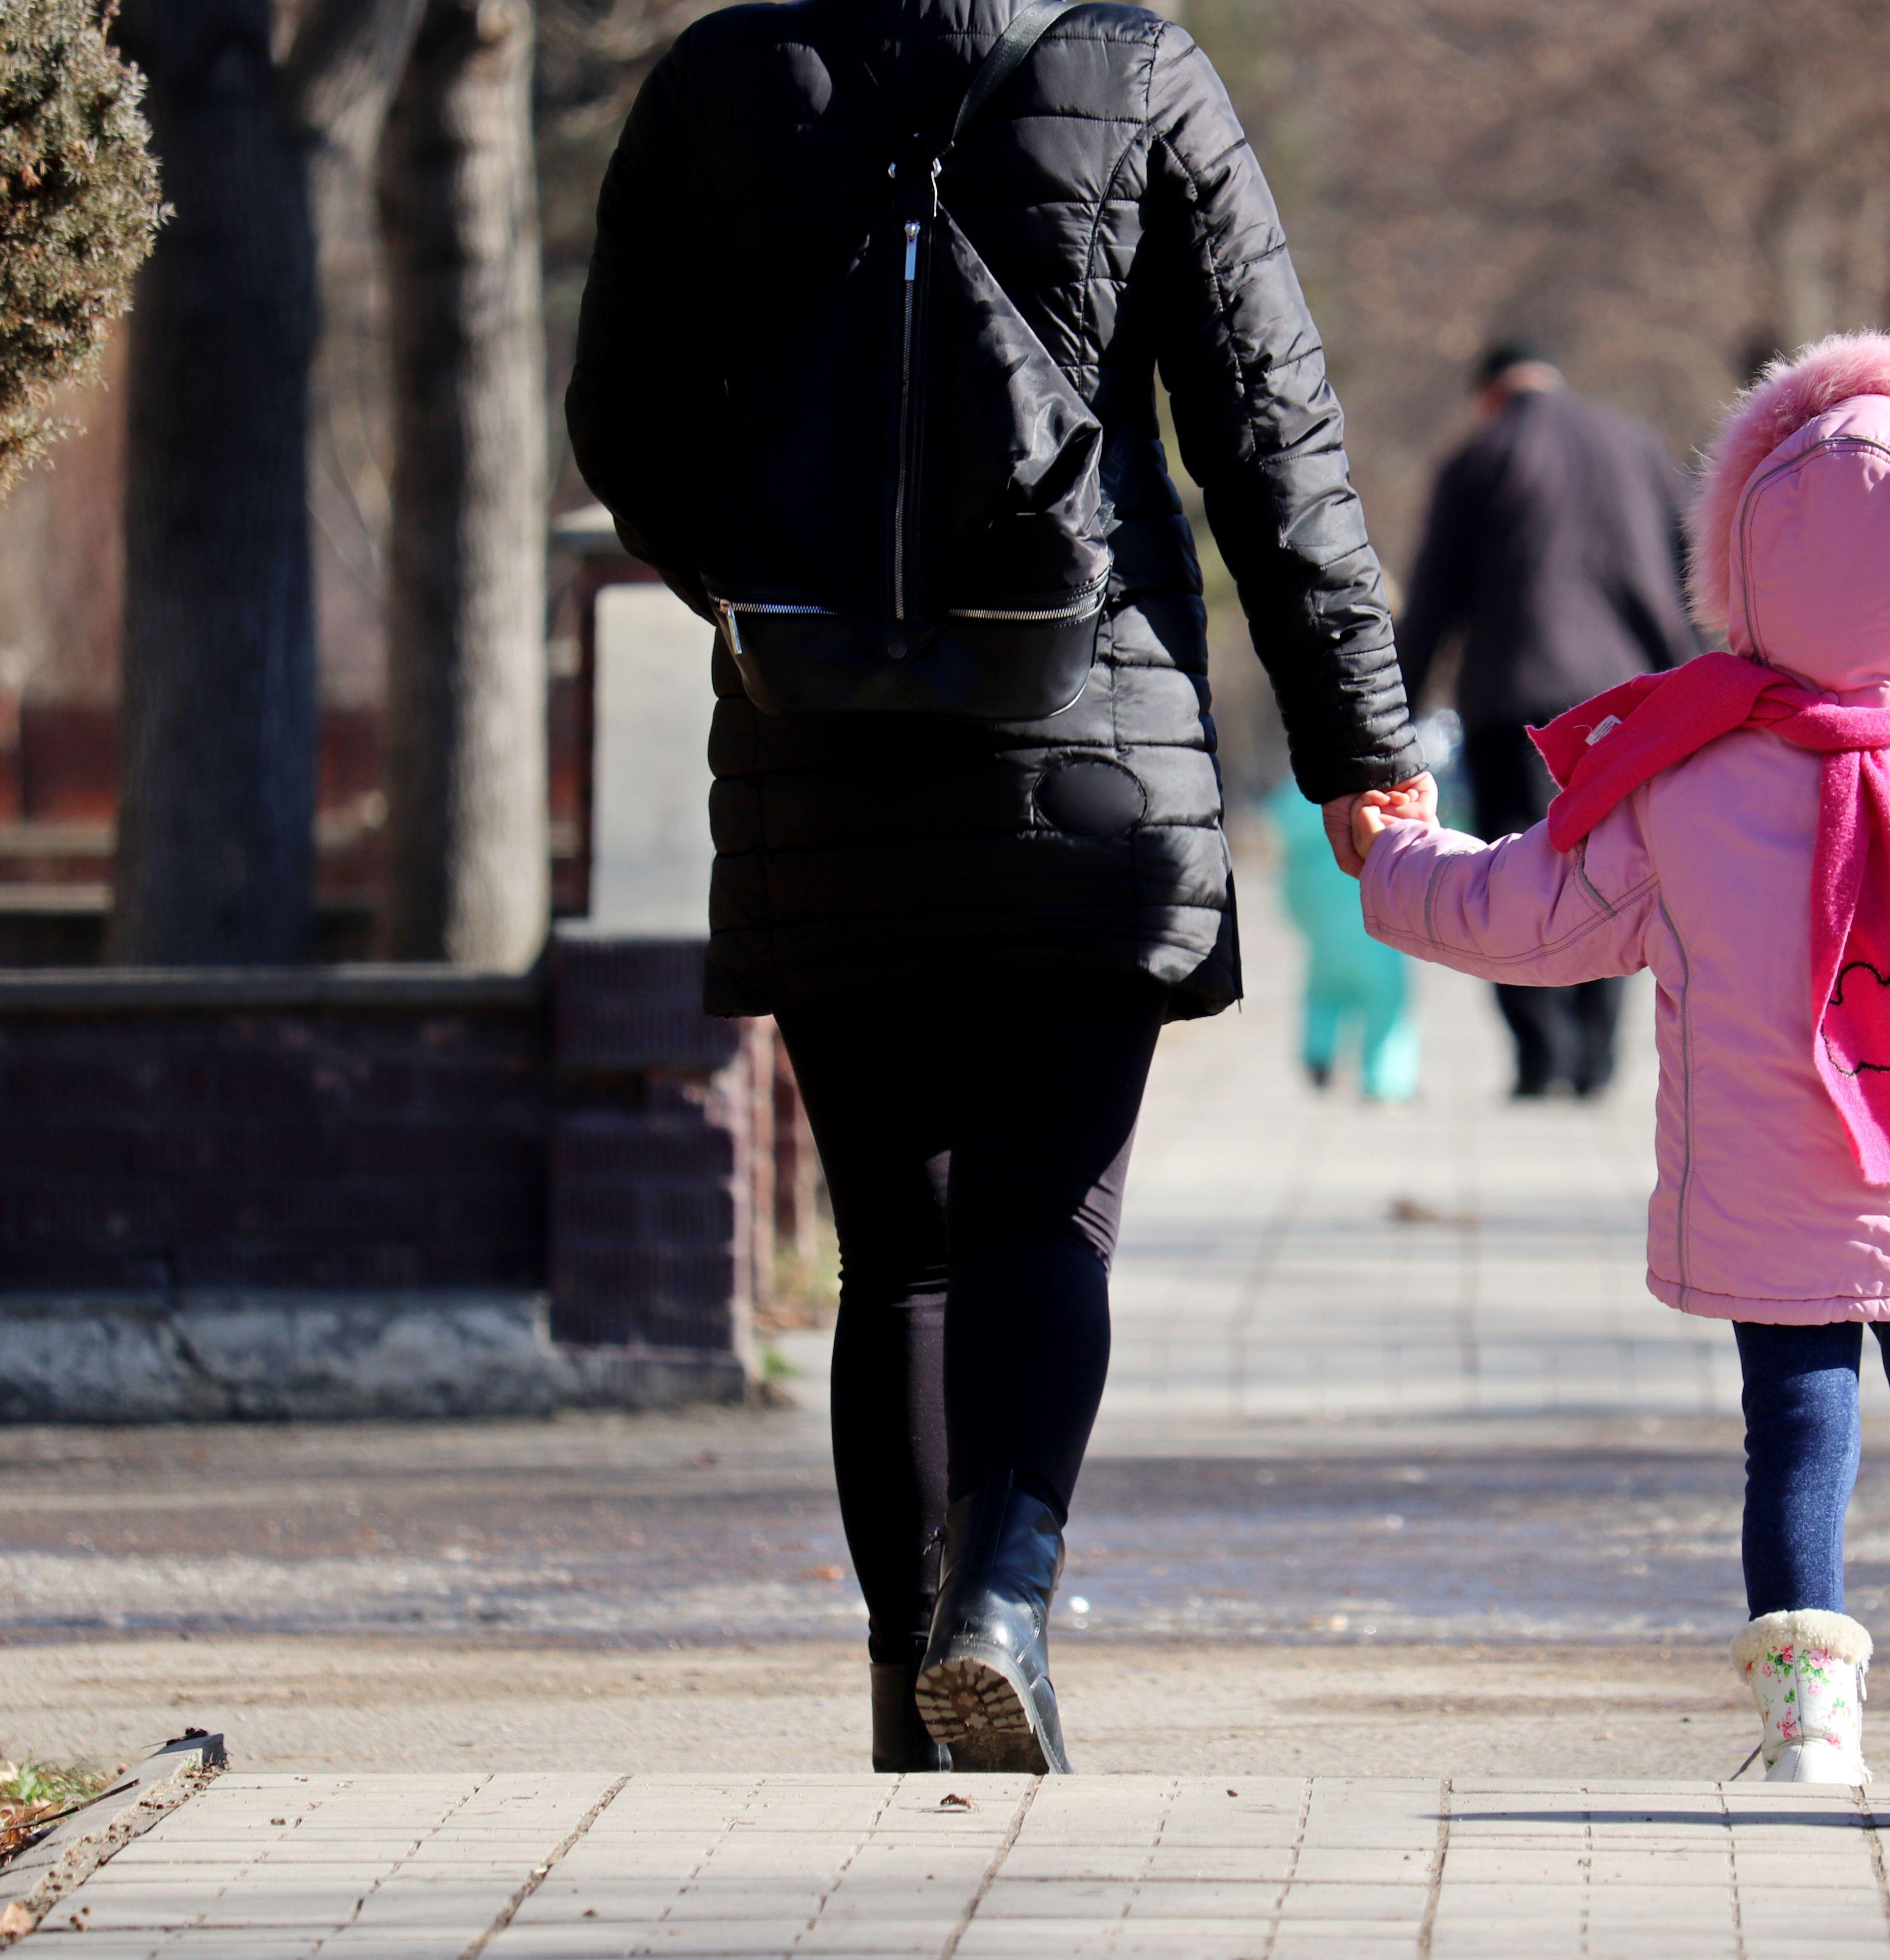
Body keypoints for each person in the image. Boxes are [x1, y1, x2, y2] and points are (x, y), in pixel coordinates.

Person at [567, 0, 1430, 1777]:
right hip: (1087, 747)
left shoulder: (724, 82)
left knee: (900, 1244)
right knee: (1046, 1213)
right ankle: (1007, 1607)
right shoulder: (1138, 72)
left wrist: (777, 593)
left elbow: (624, 423)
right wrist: (1359, 740)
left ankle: (906, 1681)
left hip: (823, 762)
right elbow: (1268, 433)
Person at [1345, 333, 1890, 1786]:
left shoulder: (1680, 792)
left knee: (1791, 1433)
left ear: (1737, 561)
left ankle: (1805, 1725)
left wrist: (1394, 857)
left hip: (1757, 1198)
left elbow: (1527, 911)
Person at [1397, 343, 1698, 1098]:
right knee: (1621, 868)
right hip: (1633, 705)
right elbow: (1694, 569)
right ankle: (1596, 1056)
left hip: (1514, 701)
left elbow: (1433, 595)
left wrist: (1387, 716)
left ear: (1488, 396)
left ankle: (1543, 1053)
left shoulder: (1481, 456)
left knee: (1516, 868)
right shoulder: (1637, 445)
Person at [1271, 790, 1418, 1102]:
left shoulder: (1302, 854)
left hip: (1325, 946)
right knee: (1386, 1008)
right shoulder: (1377, 823)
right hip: (1381, 944)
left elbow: (1293, 901)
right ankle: (1386, 1081)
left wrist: (1307, 928)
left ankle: (1318, 1055)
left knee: (1323, 998)